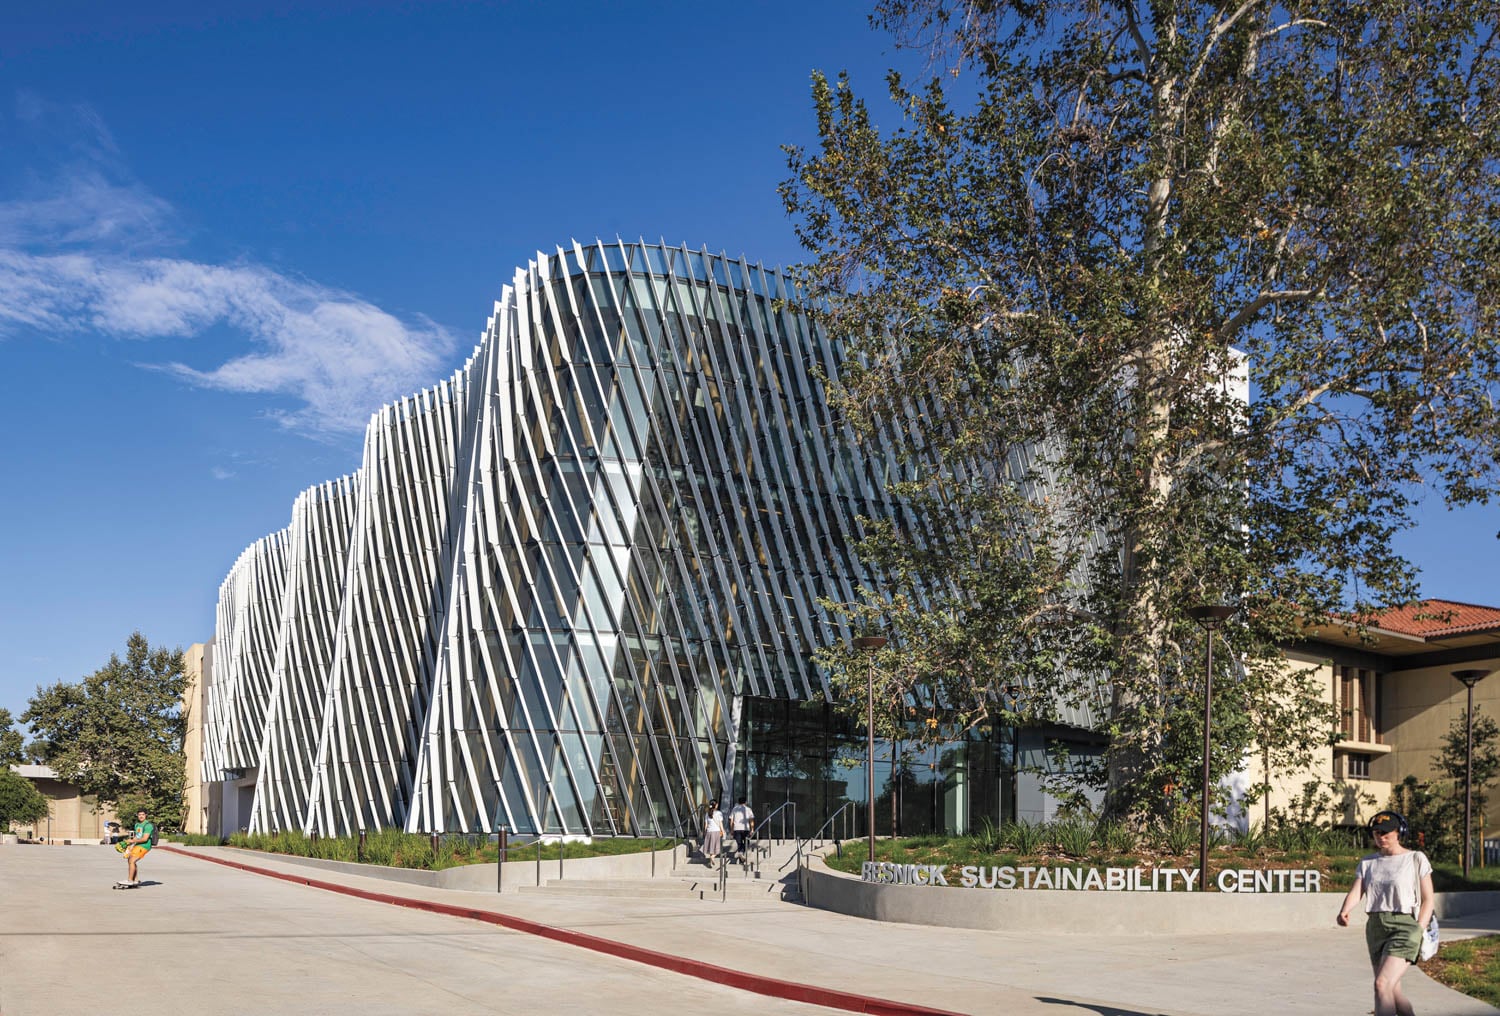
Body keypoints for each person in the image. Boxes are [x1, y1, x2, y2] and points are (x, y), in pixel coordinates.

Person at [1336, 810, 1434, 1016]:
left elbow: (1428, 900)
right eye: (1377, 833)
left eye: (1385, 832)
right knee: (1393, 992)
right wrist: (1345, 910)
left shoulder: (1415, 858)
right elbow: (1357, 891)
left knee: (1381, 984)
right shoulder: (1368, 862)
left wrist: (1419, 928)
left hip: (1405, 927)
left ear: (1399, 832)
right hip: (1376, 928)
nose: (1380, 837)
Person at [120, 809, 155, 886]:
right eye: (139, 815)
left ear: (146, 815)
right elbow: (137, 836)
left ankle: (130, 880)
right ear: (137, 815)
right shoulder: (137, 825)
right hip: (138, 845)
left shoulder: (148, 825)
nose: (141, 816)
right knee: (130, 860)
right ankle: (135, 880)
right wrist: (129, 843)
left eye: (143, 814)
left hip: (145, 846)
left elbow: (145, 839)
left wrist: (132, 841)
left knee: (132, 860)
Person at [728, 796, 755, 862]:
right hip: (746, 829)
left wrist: (731, 829)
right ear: (745, 802)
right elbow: (751, 820)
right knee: (746, 842)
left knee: (739, 843)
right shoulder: (748, 809)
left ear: (738, 802)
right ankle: (741, 853)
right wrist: (752, 829)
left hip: (736, 828)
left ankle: (741, 853)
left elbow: (731, 820)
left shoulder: (734, 809)